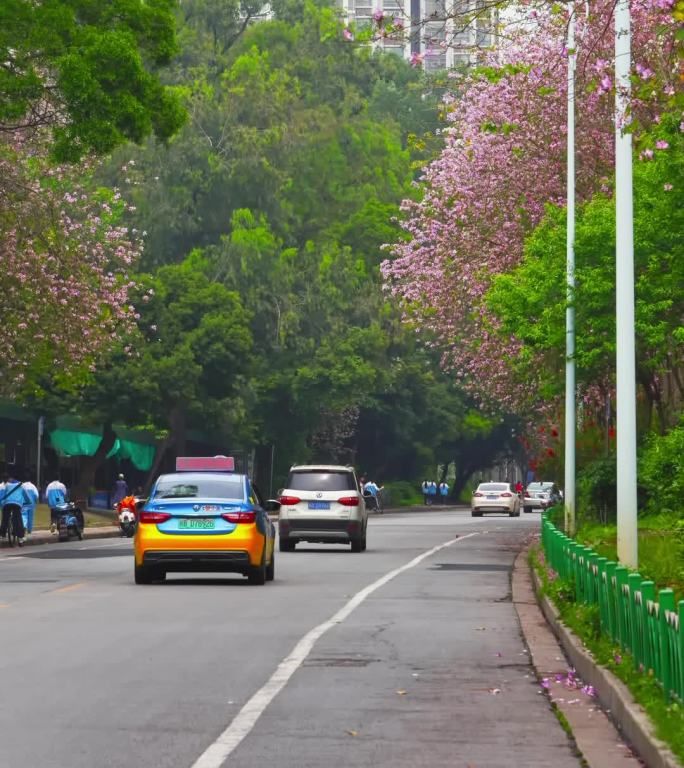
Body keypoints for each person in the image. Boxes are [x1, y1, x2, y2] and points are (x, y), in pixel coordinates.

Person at [0, 473, 27, 545]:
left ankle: (2, 534)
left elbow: (4, 495)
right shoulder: (22, 485)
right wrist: (27, 502)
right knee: (18, 519)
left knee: (5, 518)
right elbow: (26, 496)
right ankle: (21, 537)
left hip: (7, 504)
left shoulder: (7, 485)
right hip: (17, 504)